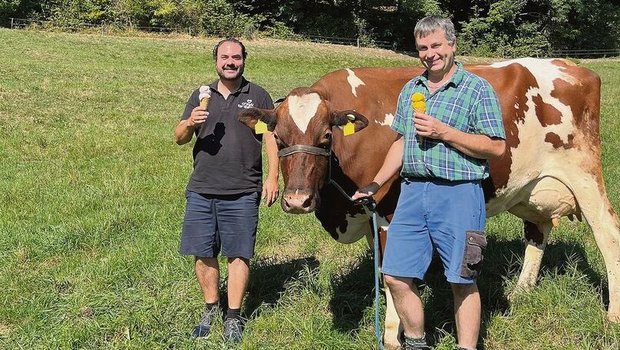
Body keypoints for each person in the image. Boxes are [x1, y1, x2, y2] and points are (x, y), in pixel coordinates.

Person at [353, 16, 506, 350]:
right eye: (423, 48)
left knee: (462, 280)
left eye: (436, 45)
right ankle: (417, 342)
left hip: (460, 195)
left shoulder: (477, 89)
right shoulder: (412, 89)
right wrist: (376, 183)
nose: (430, 54)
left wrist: (444, 132)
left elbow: (496, 146)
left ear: (452, 44)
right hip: (412, 193)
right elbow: (400, 143)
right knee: (394, 274)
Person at [174, 38, 279, 343]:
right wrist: (190, 123)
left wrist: (273, 177)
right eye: (224, 57)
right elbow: (179, 137)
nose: (230, 62)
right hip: (202, 187)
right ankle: (210, 308)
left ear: (244, 60)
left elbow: (269, 137)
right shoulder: (200, 95)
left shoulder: (256, 95)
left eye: (236, 57)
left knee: (239, 254)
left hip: (244, 189)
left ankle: (233, 316)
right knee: (203, 252)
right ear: (216, 61)